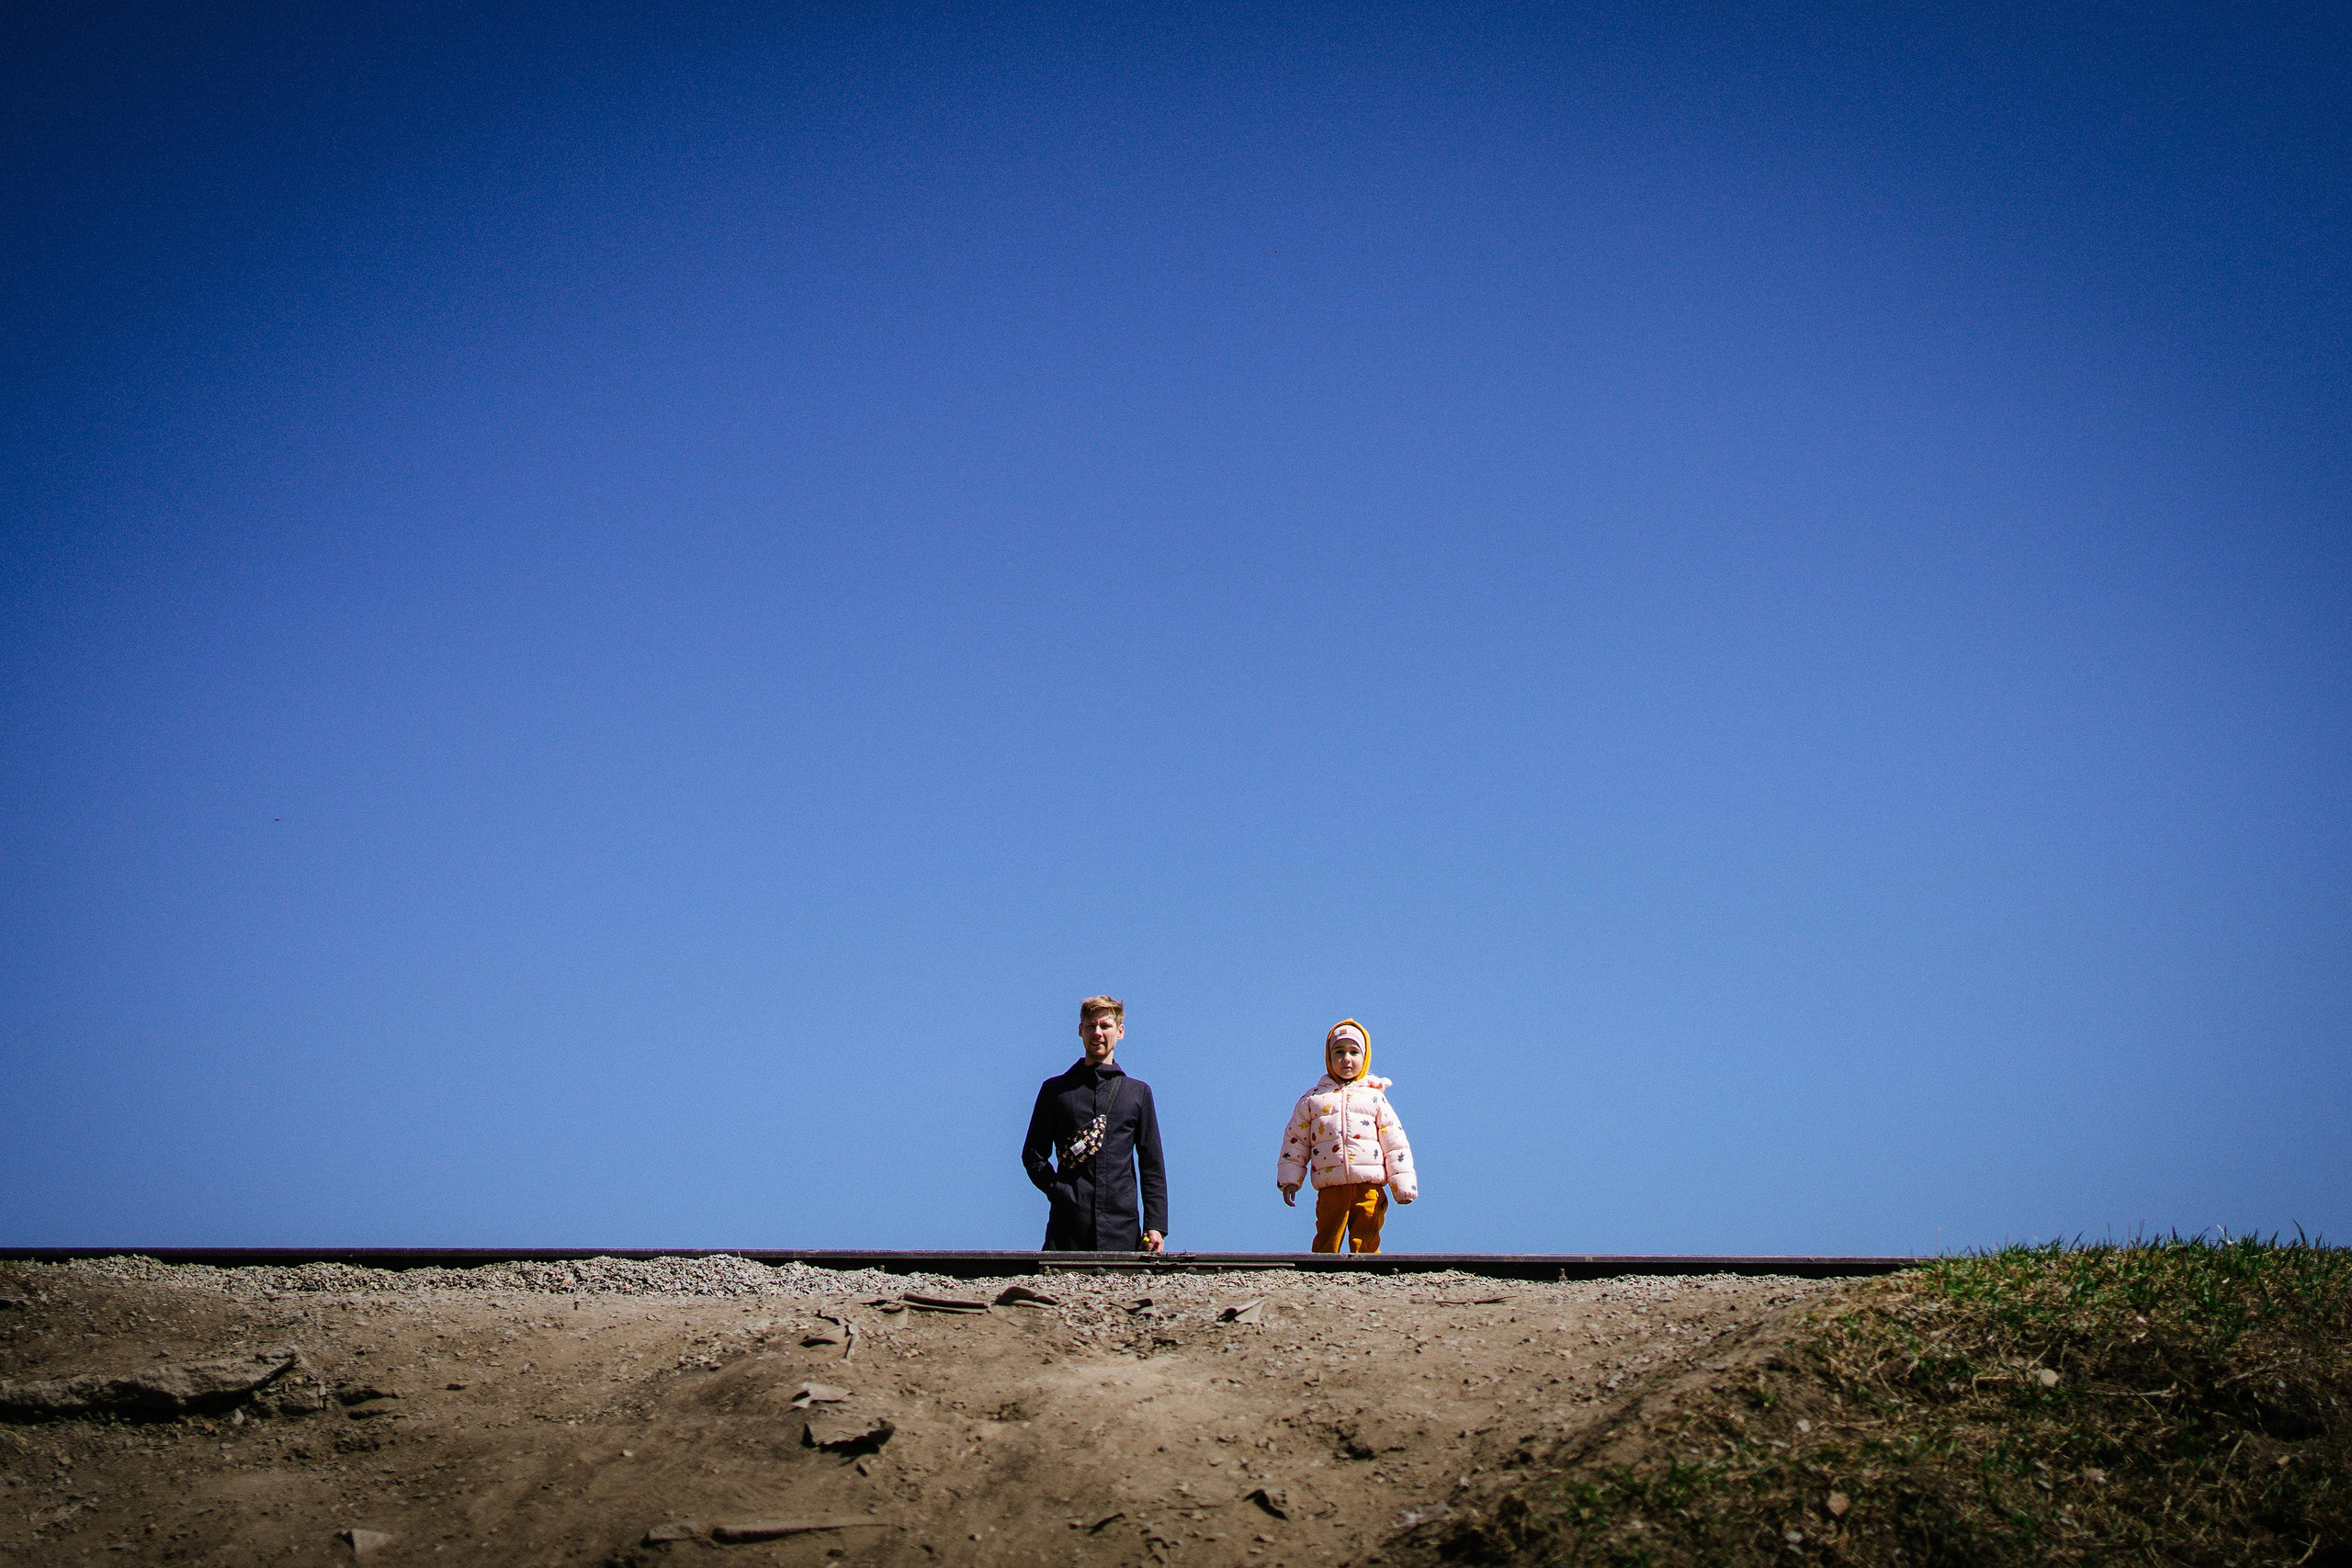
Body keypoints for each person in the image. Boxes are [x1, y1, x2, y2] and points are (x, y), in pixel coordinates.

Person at [1022, 996, 1169, 1253]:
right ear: (1080, 1030)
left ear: (1120, 1032)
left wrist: (1155, 1225)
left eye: (1105, 1026)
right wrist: (1059, 1192)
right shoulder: (1055, 1090)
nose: (1097, 1033)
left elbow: (1151, 1164)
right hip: (1067, 1229)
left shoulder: (1137, 1093)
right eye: (1091, 1026)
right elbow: (1033, 1154)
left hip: (1122, 1228)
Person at [1275, 1018, 1416, 1253]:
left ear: (1365, 1057)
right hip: (1331, 1186)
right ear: (1329, 1059)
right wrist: (1290, 1179)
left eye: (1354, 1052)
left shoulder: (1374, 1097)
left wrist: (1402, 1185)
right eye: (1339, 1052)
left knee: (1368, 1231)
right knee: (1328, 1234)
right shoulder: (1313, 1100)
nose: (1346, 1059)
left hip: (1368, 1184)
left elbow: (1395, 1144)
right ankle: (1322, 1274)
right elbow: (1295, 1141)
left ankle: (1370, 1276)